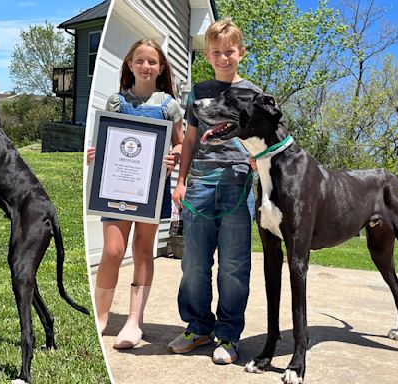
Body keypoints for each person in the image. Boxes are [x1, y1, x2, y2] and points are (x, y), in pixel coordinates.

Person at [168, 19, 260, 364]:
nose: (224, 58)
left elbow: (263, 140)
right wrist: (180, 181)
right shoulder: (200, 91)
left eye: (230, 52)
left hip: (237, 183)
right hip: (200, 185)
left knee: (234, 265)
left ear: (241, 53)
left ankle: (228, 335)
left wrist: (256, 159)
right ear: (208, 55)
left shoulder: (253, 94)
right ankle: (198, 326)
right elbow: (189, 140)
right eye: (217, 52)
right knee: (193, 262)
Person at [87, 38, 184, 349]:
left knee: (143, 250)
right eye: (140, 60)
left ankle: (133, 321)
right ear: (130, 64)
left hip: (151, 191)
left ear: (161, 68)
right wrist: (96, 155)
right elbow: (107, 142)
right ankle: (101, 315)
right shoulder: (116, 102)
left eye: (152, 62)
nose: (146, 66)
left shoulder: (168, 105)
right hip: (116, 188)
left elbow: (181, 144)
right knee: (113, 250)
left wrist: (175, 156)